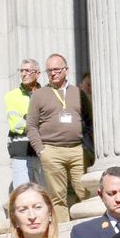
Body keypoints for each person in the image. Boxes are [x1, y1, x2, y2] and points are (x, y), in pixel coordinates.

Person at [26, 53, 91, 222]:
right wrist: (41, 150)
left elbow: (90, 121)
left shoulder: (78, 93)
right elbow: (31, 125)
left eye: (56, 69)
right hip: (51, 150)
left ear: (66, 70)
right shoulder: (39, 95)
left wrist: (89, 147)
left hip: (77, 149)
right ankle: (63, 234)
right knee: (57, 197)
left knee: (85, 191)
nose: (53, 73)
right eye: (49, 71)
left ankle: (87, 227)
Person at [6, 59, 43, 188]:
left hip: (42, 152)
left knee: (45, 196)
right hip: (21, 152)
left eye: (27, 70)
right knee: (23, 194)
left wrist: (28, 118)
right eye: (21, 71)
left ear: (37, 74)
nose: (23, 74)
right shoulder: (12, 96)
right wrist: (37, 123)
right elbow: (15, 124)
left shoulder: (46, 94)